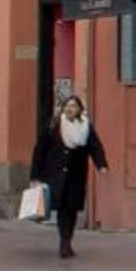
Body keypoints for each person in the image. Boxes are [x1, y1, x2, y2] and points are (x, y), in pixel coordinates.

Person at [29, 93, 110, 260]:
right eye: (67, 106)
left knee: (71, 210)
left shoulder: (86, 127)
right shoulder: (53, 126)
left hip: (76, 176)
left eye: (73, 106)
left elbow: (95, 147)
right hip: (55, 175)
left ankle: (67, 241)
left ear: (79, 109)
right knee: (62, 210)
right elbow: (39, 151)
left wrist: (101, 165)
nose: (69, 109)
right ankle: (64, 243)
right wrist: (35, 175)